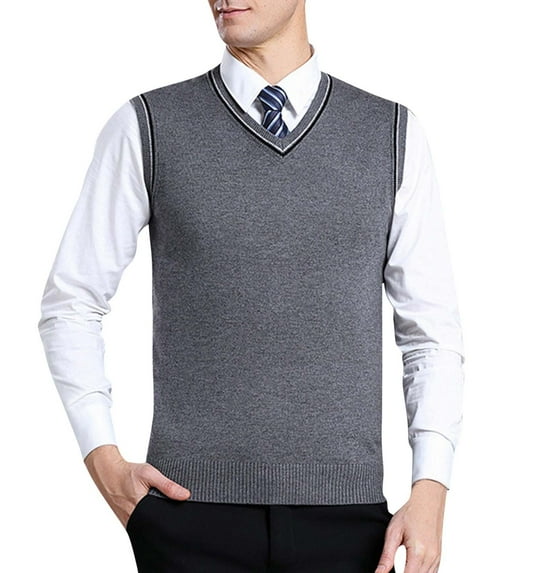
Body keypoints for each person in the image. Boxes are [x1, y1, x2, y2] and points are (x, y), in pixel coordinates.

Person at [38, 1, 465, 571]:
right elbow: (71, 302)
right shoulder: (148, 125)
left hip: (350, 524)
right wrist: (106, 464)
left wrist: (431, 487)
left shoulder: (390, 133)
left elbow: (430, 333)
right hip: (188, 517)